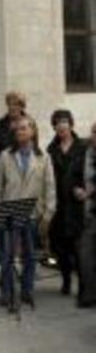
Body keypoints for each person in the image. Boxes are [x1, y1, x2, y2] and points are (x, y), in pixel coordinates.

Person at [0, 116, 56, 307]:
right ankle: (7, 292)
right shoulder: (5, 156)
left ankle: (27, 290)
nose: (21, 131)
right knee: (7, 256)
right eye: (18, 129)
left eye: (25, 128)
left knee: (29, 255)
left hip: (32, 214)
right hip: (9, 214)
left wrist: (48, 212)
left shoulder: (43, 157)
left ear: (33, 131)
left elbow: (50, 186)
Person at [47, 110, 88, 296]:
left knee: (79, 248)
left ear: (71, 124)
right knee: (60, 247)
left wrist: (84, 189)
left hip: (78, 205)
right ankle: (66, 279)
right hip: (59, 205)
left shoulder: (83, 147)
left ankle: (83, 284)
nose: (61, 125)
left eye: (64, 121)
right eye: (57, 122)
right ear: (54, 127)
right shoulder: (51, 150)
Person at [77, 121, 96, 308]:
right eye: (92, 132)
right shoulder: (86, 151)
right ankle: (88, 294)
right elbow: (76, 174)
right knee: (85, 255)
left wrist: (91, 192)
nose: (93, 136)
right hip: (88, 213)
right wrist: (78, 189)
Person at [0, 91, 28, 163]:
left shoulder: (30, 123)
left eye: (15, 104)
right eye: (9, 104)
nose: (12, 107)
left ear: (22, 107)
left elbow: (34, 146)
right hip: (5, 166)